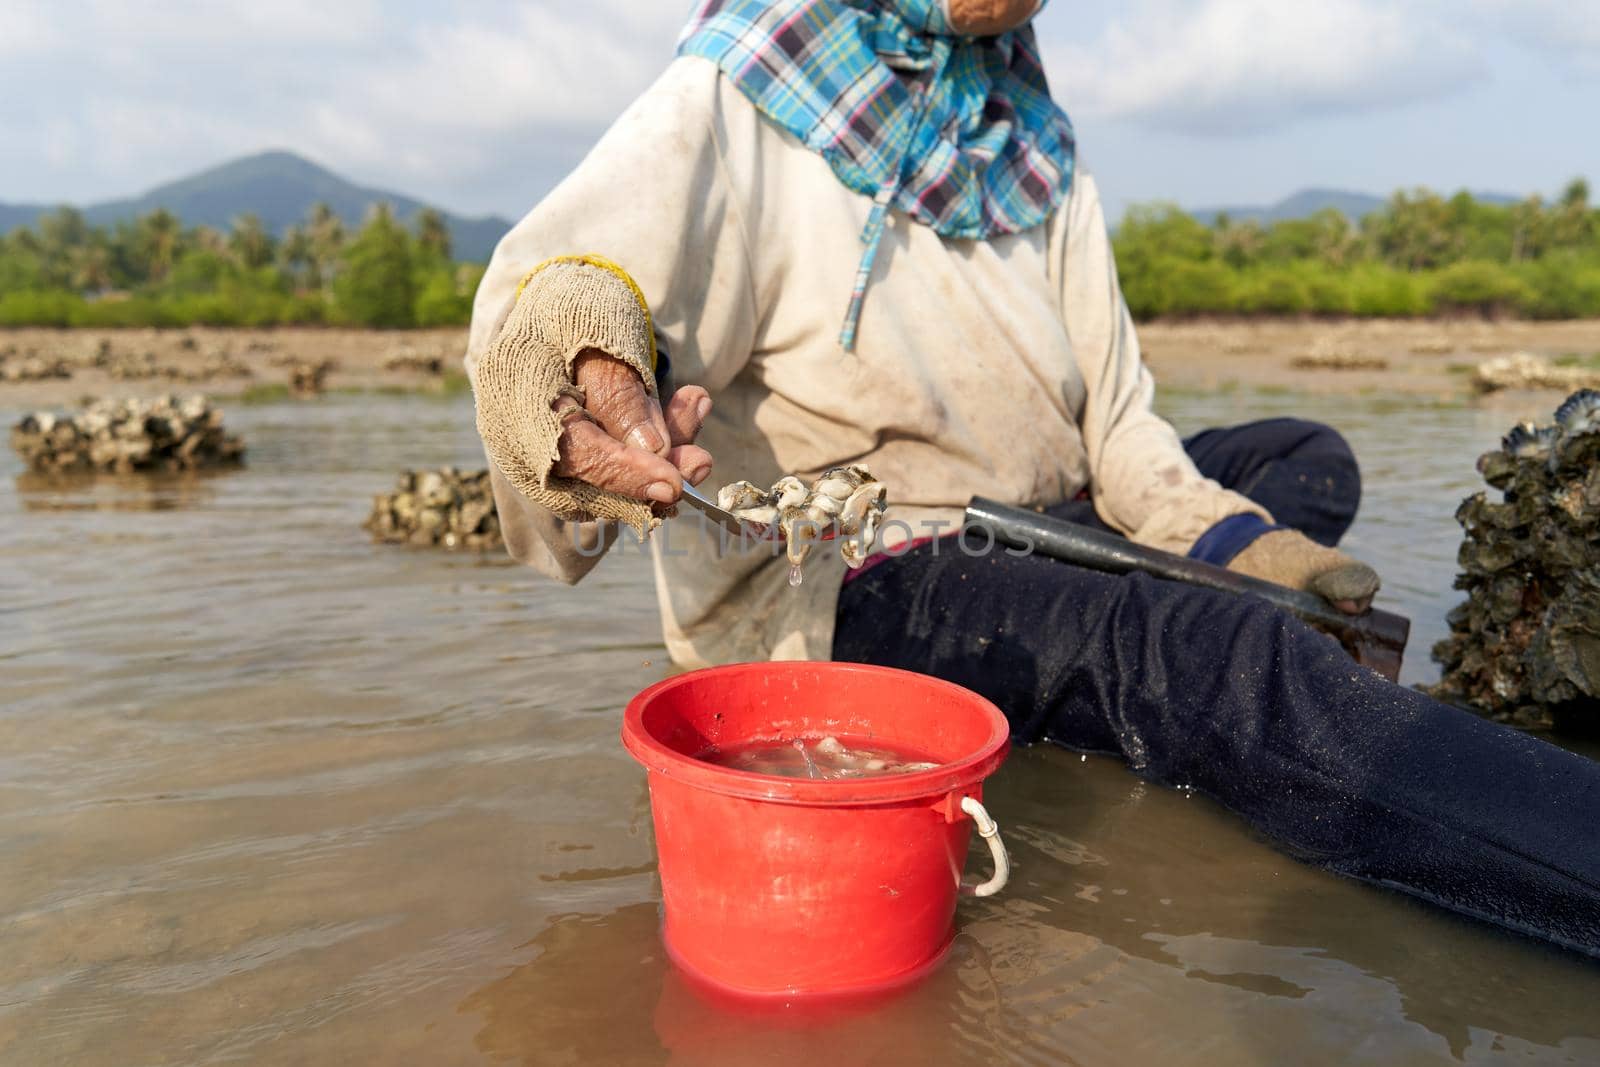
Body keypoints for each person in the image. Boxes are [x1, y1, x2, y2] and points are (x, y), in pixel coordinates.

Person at [467, 0, 1600, 959]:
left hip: (1056, 515)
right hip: (865, 569)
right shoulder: (744, 84)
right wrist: (590, 370)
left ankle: (1165, 620)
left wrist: (1219, 532)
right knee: (1225, 659)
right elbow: (560, 291)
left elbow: (1118, 419)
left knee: (1299, 460)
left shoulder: (1032, 135)